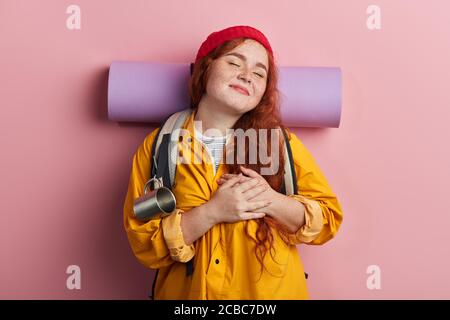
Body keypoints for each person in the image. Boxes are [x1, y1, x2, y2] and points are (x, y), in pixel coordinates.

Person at [123, 25, 344, 300]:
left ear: (264, 90)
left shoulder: (279, 144)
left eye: (259, 73)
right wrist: (212, 212)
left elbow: (328, 219)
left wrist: (270, 200)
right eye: (233, 62)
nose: (247, 76)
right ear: (205, 69)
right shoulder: (160, 146)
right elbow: (143, 240)